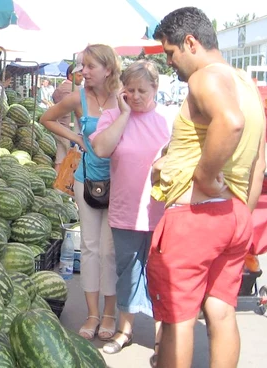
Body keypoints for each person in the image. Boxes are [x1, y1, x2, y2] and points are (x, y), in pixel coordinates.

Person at [149, 7, 266, 368]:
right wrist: (242, 212)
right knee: (222, 312)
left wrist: (203, 176)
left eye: (170, 53)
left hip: (194, 219)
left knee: (177, 321)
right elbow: (258, 162)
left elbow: (229, 124)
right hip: (234, 217)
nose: (170, 63)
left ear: (191, 42)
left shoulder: (205, 78)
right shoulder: (246, 83)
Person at [40, 44, 122, 341]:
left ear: (108, 69)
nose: (83, 72)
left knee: (109, 250)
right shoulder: (79, 99)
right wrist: (75, 137)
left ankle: (110, 313)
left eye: (89, 66)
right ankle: (92, 314)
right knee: (89, 247)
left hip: (120, 183)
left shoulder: (124, 96)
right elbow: (47, 118)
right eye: (82, 66)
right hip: (86, 180)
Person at [90, 60, 170, 363]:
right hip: (125, 210)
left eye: (142, 91)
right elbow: (101, 149)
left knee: (160, 275)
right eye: (130, 90)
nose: (135, 96)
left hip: (161, 211)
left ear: (155, 89)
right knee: (127, 273)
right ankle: (125, 330)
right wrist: (124, 115)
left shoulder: (167, 119)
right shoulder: (112, 115)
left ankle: (163, 337)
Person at [51, 63, 85, 170]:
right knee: (71, 159)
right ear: (70, 76)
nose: (82, 78)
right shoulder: (75, 89)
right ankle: (67, 185)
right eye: (79, 76)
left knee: (60, 158)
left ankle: (57, 183)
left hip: (58, 127)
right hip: (70, 129)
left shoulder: (59, 88)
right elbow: (79, 111)